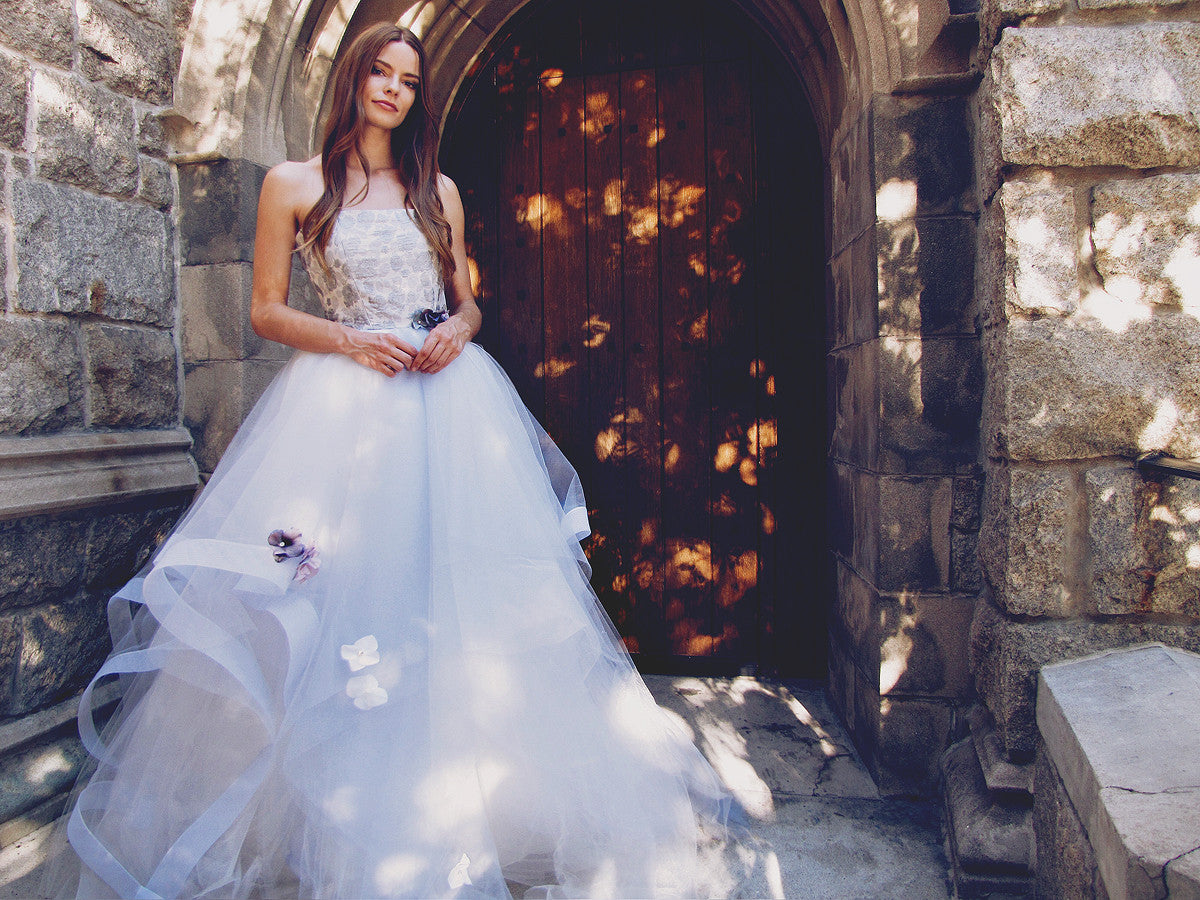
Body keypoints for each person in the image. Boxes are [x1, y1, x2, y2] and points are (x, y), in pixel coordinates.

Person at [46, 21, 736, 900]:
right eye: (381, 71)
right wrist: (348, 339)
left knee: (459, 597)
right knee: (343, 595)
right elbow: (263, 311)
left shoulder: (436, 189)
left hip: (450, 405)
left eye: (409, 80)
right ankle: (342, 812)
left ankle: (465, 808)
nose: (394, 89)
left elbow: (469, 302)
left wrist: (457, 329)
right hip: (345, 404)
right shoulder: (295, 185)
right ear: (354, 80)